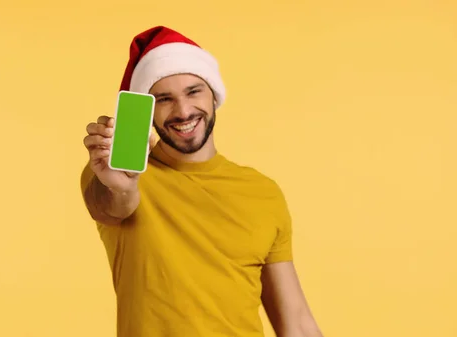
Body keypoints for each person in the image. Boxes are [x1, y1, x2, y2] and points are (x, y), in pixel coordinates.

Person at [80, 26, 324, 337]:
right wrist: (122, 184)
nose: (183, 111)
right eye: (164, 98)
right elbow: (111, 206)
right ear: (146, 109)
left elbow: (297, 323)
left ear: (214, 95)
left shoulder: (262, 192)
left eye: (194, 91)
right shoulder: (115, 175)